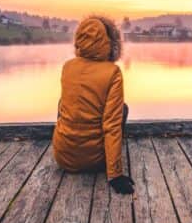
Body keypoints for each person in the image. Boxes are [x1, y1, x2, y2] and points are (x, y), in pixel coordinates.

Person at [52, 15, 135, 194]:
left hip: (63, 158)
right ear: (109, 41)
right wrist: (115, 175)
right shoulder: (113, 72)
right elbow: (111, 125)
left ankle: (68, 145)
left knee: (63, 103)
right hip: (95, 161)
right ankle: (111, 160)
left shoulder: (68, 67)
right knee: (122, 109)